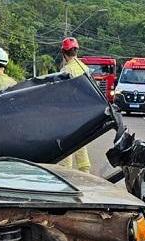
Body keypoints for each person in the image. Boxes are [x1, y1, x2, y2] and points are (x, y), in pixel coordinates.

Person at [57, 37, 91, 173]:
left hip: (69, 113)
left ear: (64, 53)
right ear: (76, 51)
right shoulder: (86, 68)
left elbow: (61, 95)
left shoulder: (65, 71)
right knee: (81, 142)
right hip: (85, 113)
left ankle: (67, 174)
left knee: (68, 144)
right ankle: (85, 172)